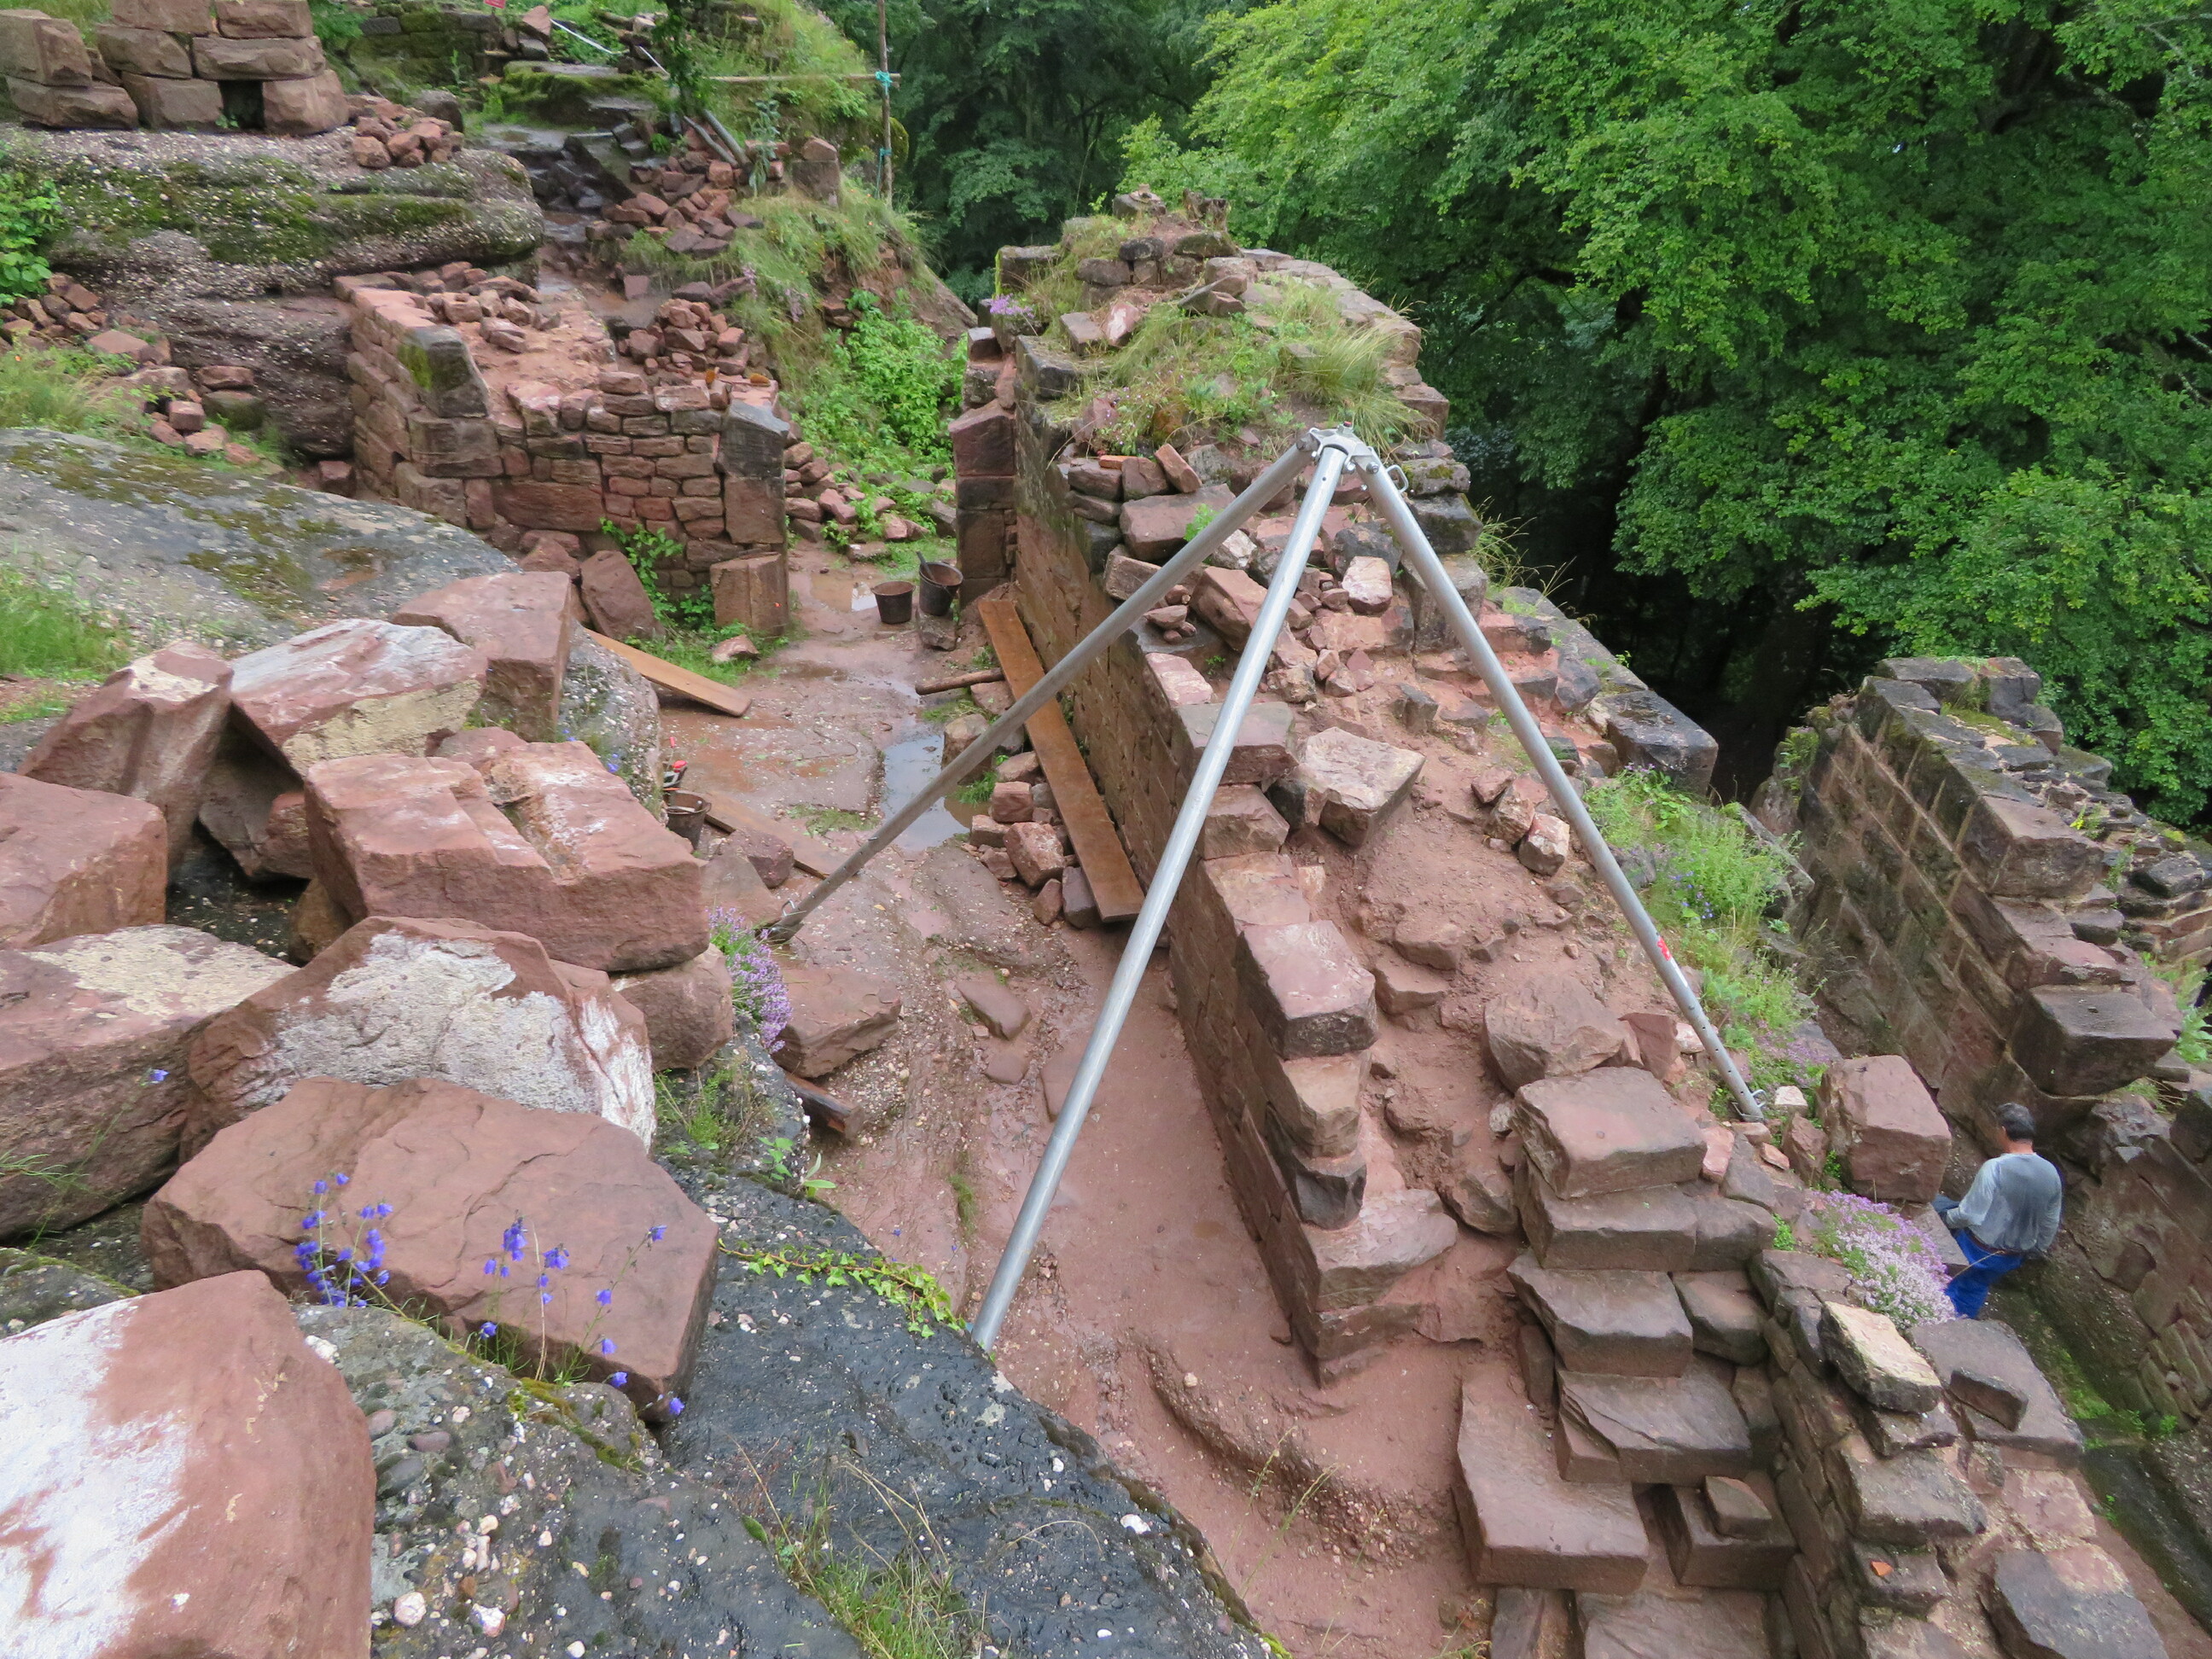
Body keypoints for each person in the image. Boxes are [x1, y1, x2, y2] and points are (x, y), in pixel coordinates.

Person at [1933, 1105, 2063, 1318]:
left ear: (2003, 1131)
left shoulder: (1995, 1167)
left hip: (1977, 1247)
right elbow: (2050, 1222)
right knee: (1976, 1286)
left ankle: (1934, 1317)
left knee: (1948, 1280)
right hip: (2012, 1256)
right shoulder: (2052, 1173)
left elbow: (1969, 1214)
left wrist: (1944, 1219)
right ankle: (1962, 1322)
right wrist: (2036, 1249)